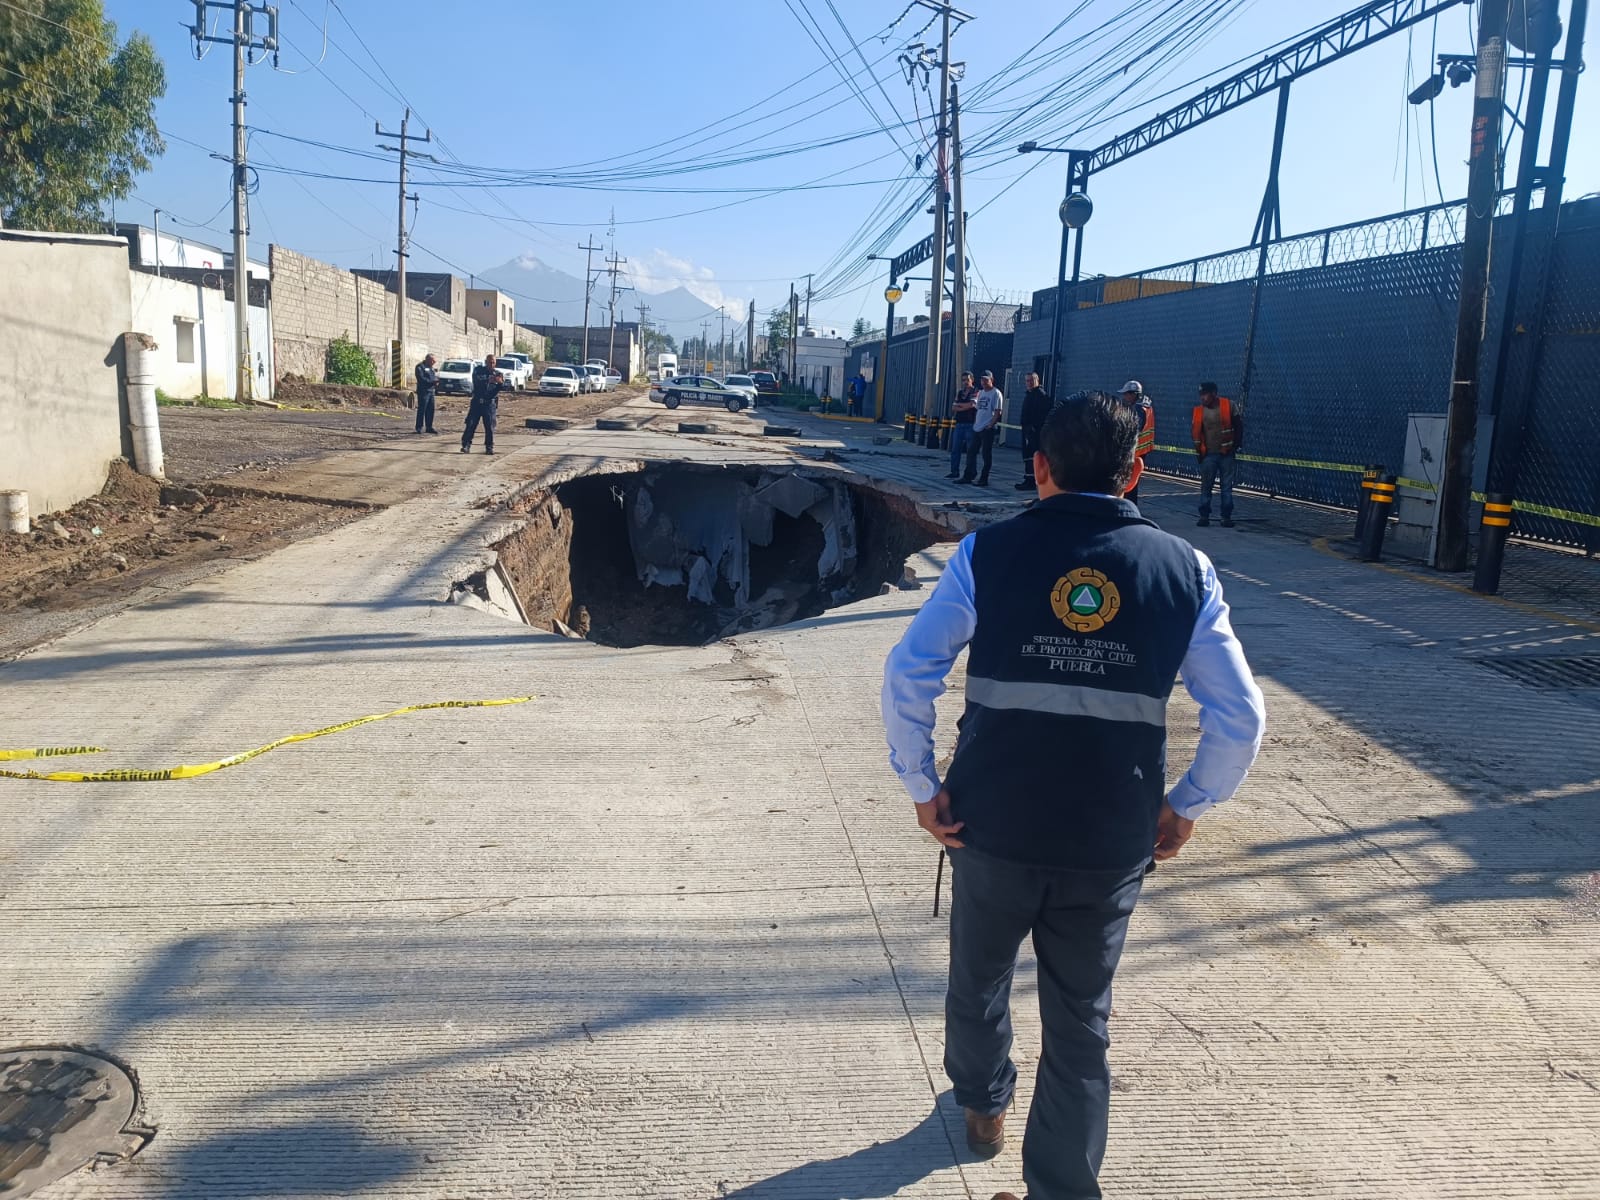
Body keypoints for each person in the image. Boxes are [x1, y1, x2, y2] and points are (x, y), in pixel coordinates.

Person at [881, 391, 1265, 1200]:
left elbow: (908, 673)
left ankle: (983, 1108)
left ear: (1041, 467)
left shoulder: (987, 555)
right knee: (1081, 1023)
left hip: (989, 824)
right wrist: (1188, 803)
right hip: (1109, 839)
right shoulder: (1185, 570)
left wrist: (922, 786)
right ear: (1140, 471)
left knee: (977, 977)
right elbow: (1240, 715)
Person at [1193, 381, 1243, 527]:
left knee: (1226, 487)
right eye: (1201, 395)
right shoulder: (1199, 411)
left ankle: (1226, 517)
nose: (1202, 398)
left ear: (1214, 393)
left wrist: (1235, 446)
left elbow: (1239, 426)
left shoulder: (1229, 406)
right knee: (1206, 486)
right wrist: (1201, 454)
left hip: (1226, 453)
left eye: (1205, 394)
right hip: (1208, 455)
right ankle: (1204, 516)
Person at [958, 370, 1003, 487]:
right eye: (982, 380)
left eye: (986, 380)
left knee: (986, 454)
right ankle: (968, 475)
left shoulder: (996, 393)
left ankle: (984, 478)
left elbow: (998, 412)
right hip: (977, 427)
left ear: (991, 380)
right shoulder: (981, 393)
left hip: (987, 428)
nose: (983, 382)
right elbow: (978, 408)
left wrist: (990, 425)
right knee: (971, 452)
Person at [462, 353, 507, 455]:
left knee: (490, 427)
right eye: (489, 362)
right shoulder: (479, 370)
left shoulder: (498, 374)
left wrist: (500, 383)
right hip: (477, 402)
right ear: (486, 362)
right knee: (471, 424)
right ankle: (466, 445)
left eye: (493, 362)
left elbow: (504, 387)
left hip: (489, 404)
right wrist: (489, 379)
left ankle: (489, 447)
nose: (491, 364)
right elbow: (477, 381)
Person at [1118, 380, 1155, 504]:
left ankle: (1129, 505)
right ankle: (1130, 504)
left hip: (1135, 450)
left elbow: (1134, 429)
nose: (1124, 397)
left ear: (1133, 394)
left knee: (1129, 482)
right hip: (1140, 449)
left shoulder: (1139, 409)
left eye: (1126, 394)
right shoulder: (1145, 405)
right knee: (1132, 480)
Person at [1015, 372, 1051, 491]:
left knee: (1033, 456)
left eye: (1031, 380)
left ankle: (1031, 482)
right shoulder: (1029, 395)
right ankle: (1029, 479)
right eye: (1027, 381)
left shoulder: (1040, 395)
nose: (1029, 383)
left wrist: (1033, 428)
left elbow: (1042, 415)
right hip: (1027, 430)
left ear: (1037, 381)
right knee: (1028, 456)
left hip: (1035, 432)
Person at [947, 371, 980, 480]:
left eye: (967, 380)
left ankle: (971, 472)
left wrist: (960, 406)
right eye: (963, 380)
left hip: (970, 424)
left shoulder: (976, 391)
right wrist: (965, 406)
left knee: (971, 450)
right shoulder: (960, 392)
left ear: (972, 380)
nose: (965, 382)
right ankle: (954, 471)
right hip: (959, 424)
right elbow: (953, 407)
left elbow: (973, 405)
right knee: (955, 448)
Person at [414, 354, 439, 435]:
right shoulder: (420, 367)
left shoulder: (431, 367)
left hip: (431, 391)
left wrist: (436, 382)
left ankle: (429, 427)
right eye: (432, 361)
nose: (433, 362)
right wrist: (433, 382)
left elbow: (432, 377)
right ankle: (419, 427)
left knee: (430, 410)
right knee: (422, 409)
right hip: (423, 392)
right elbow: (421, 379)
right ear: (428, 359)